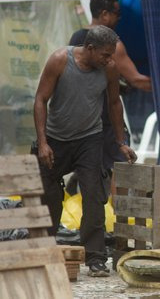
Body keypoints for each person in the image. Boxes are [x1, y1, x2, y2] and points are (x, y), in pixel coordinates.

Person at [33, 25, 137, 277]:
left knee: (93, 196)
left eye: (111, 54)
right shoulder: (60, 60)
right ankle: (45, 251)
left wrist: (121, 142)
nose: (110, 59)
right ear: (89, 49)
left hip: (89, 139)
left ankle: (96, 258)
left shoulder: (110, 69)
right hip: (55, 139)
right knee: (50, 197)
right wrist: (43, 142)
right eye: (105, 54)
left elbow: (114, 103)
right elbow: (40, 100)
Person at [68, 0, 151, 191]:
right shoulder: (113, 45)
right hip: (105, 119)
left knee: (90, 166)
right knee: (119, 166)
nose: (118, 19)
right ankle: (116, 215)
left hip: (82, 119)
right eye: (117, 14)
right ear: (105, 14)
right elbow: (137, 80)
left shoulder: (76, 38)